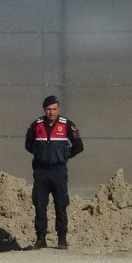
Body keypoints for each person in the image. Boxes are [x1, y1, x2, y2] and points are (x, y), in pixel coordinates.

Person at [25, 95, 83, 249]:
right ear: (45, 110)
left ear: (59, 109)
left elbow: (79, 146)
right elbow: (28, 145)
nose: (52, 112)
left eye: (54, 109)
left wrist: (63, 155)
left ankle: (62, 239)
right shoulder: (36, 125)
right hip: (41, 171)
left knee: (61, 205)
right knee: (40, 205)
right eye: (49, 109)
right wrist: (40, 155)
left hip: (59, 172)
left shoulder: (67, 125)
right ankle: (40, 238)